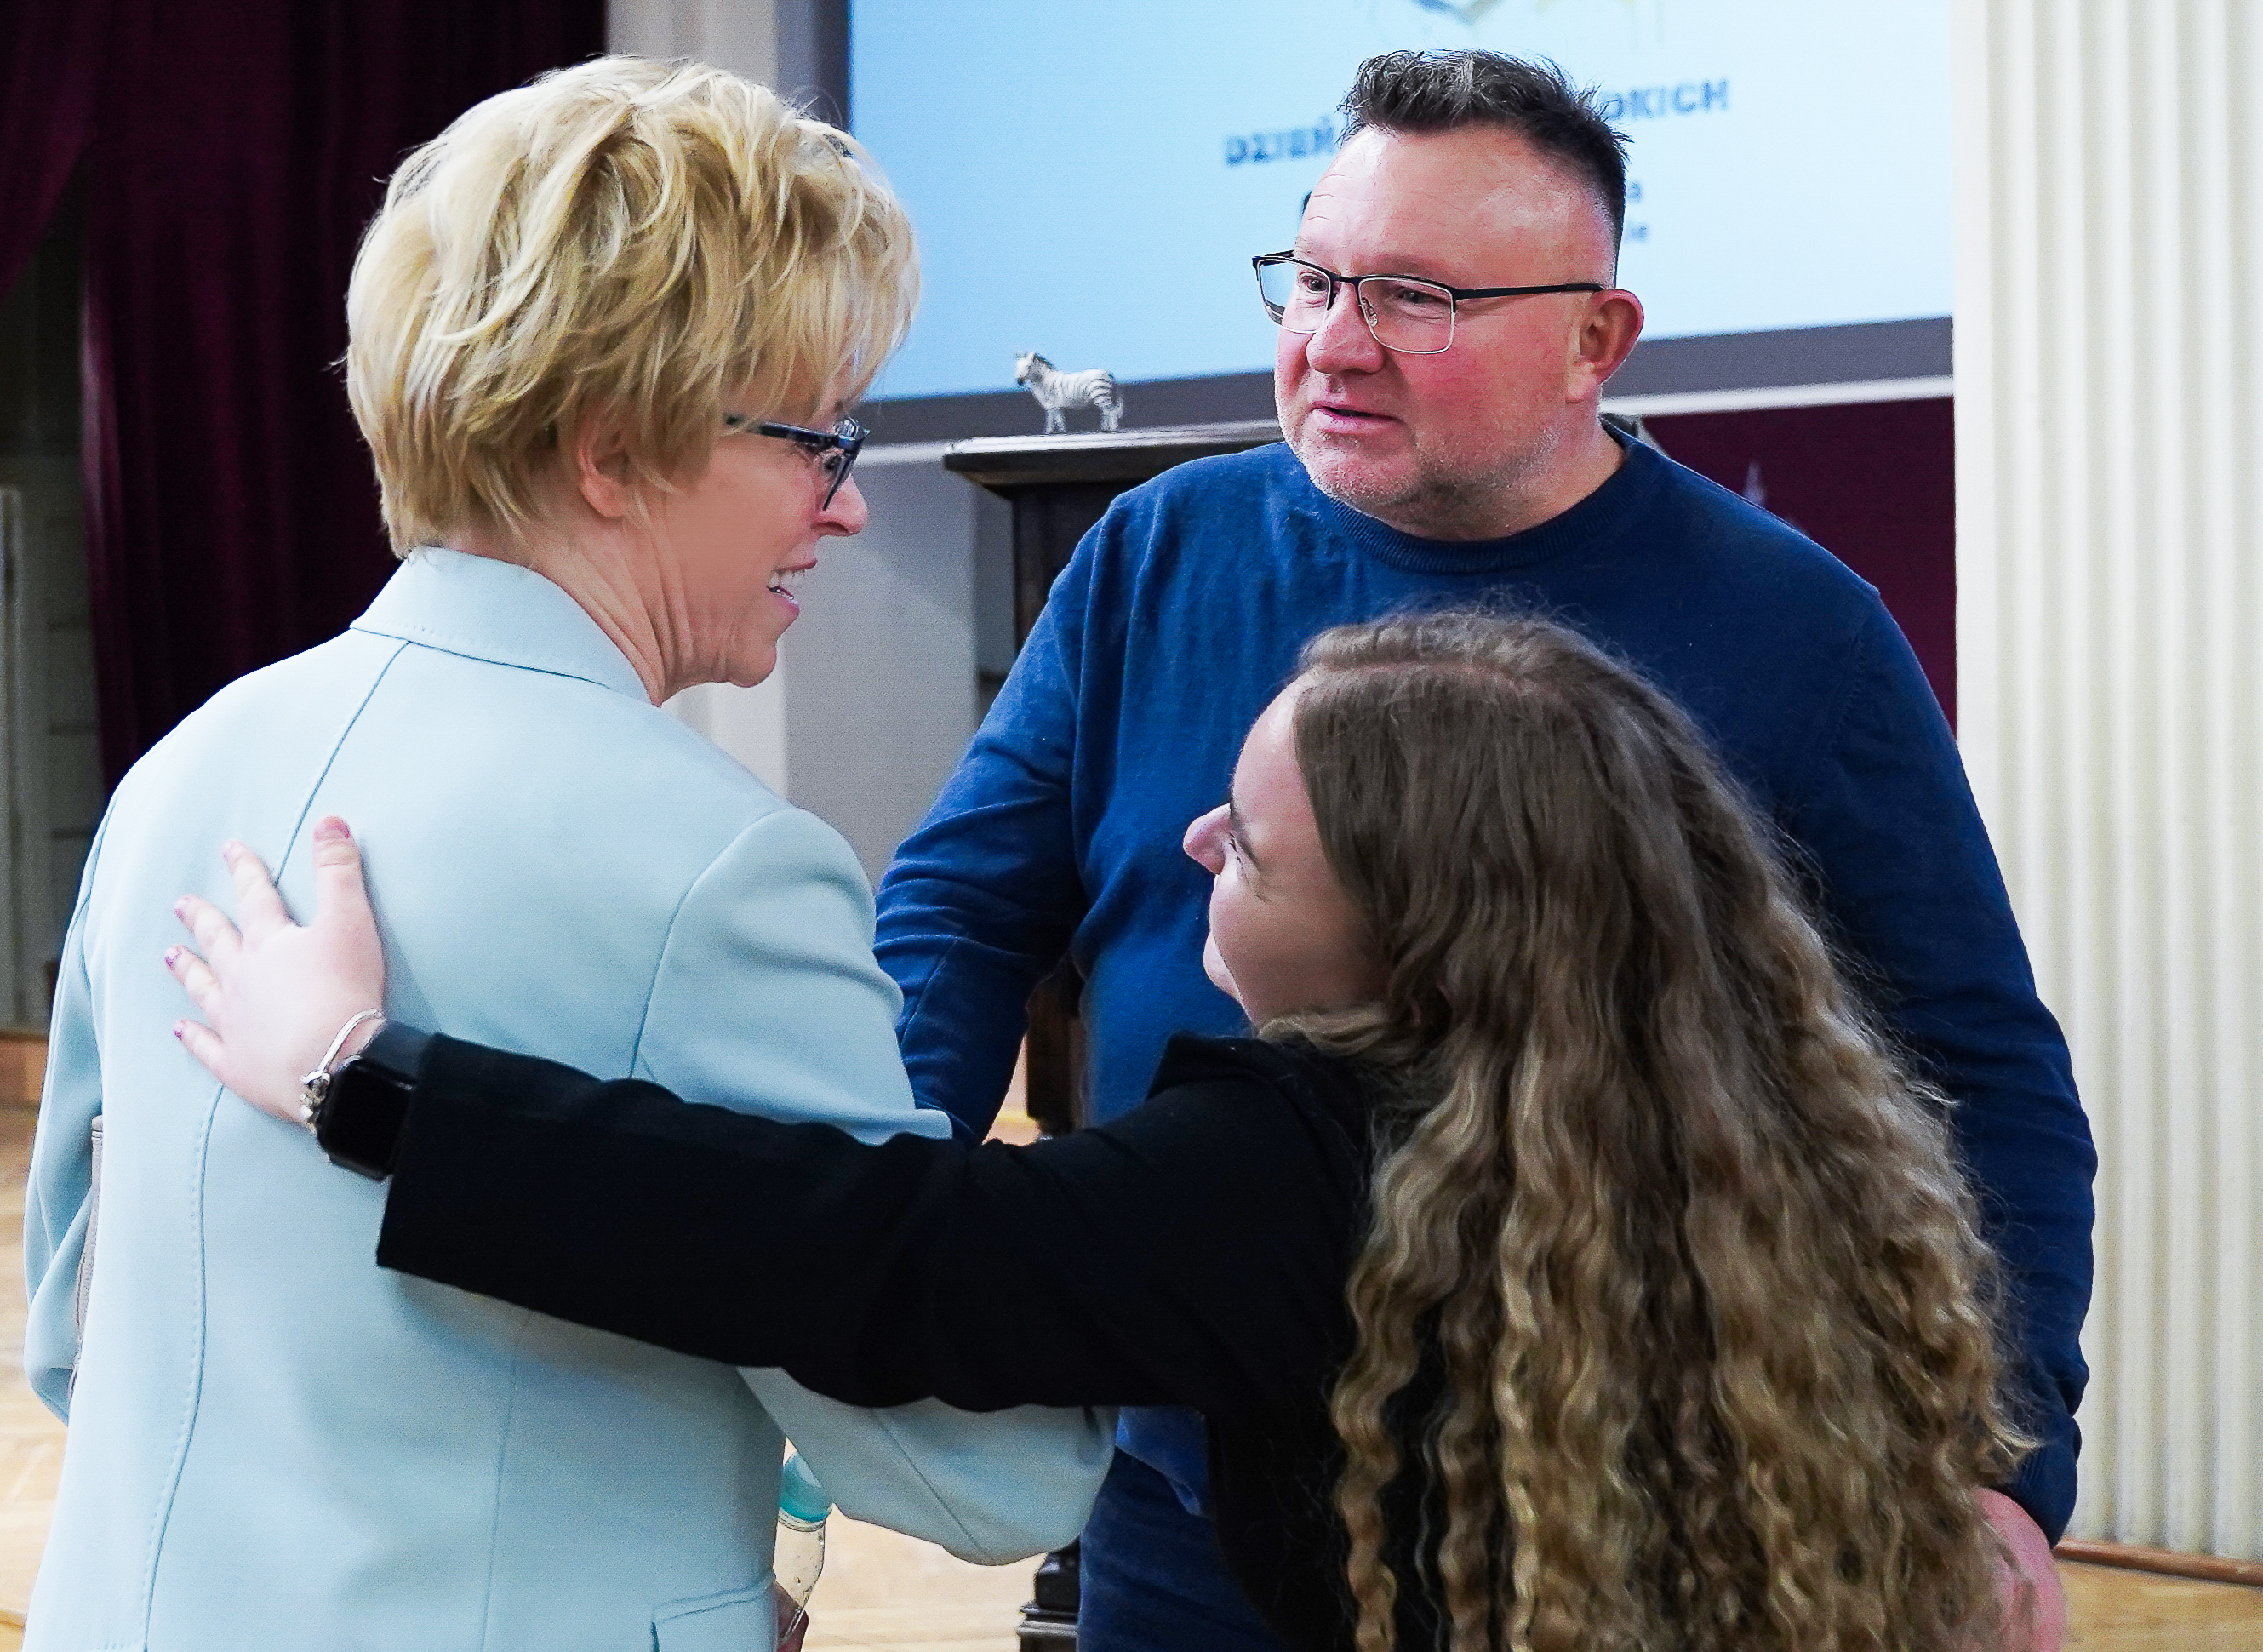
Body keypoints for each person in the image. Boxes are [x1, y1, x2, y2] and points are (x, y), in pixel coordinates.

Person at [869, 49, 2093, 1650]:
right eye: (1315, 280)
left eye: (1417, 298)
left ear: (1597, 339)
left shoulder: (1797, 632)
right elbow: (958, 913)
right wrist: (882, 1179)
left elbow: (1975, 1067)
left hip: (1600, 1507)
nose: (1334, 341)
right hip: (1182, 1495)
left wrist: (2002, 1464)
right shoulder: (1157, 552)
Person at [167, 610, 2042, 1652]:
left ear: (1420, 932)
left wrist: (363, 1076)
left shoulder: (1303, 1172)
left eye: (1256, 846)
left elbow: (867, 1245)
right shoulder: (1744, 1109)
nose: (1193, 845)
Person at [21, 57, 1105, 1652]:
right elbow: (980, 1466)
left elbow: (74, 1331)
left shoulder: (183, 770)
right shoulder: (721, 867)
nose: (848, 509)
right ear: (612, 451)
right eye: (818, 441)